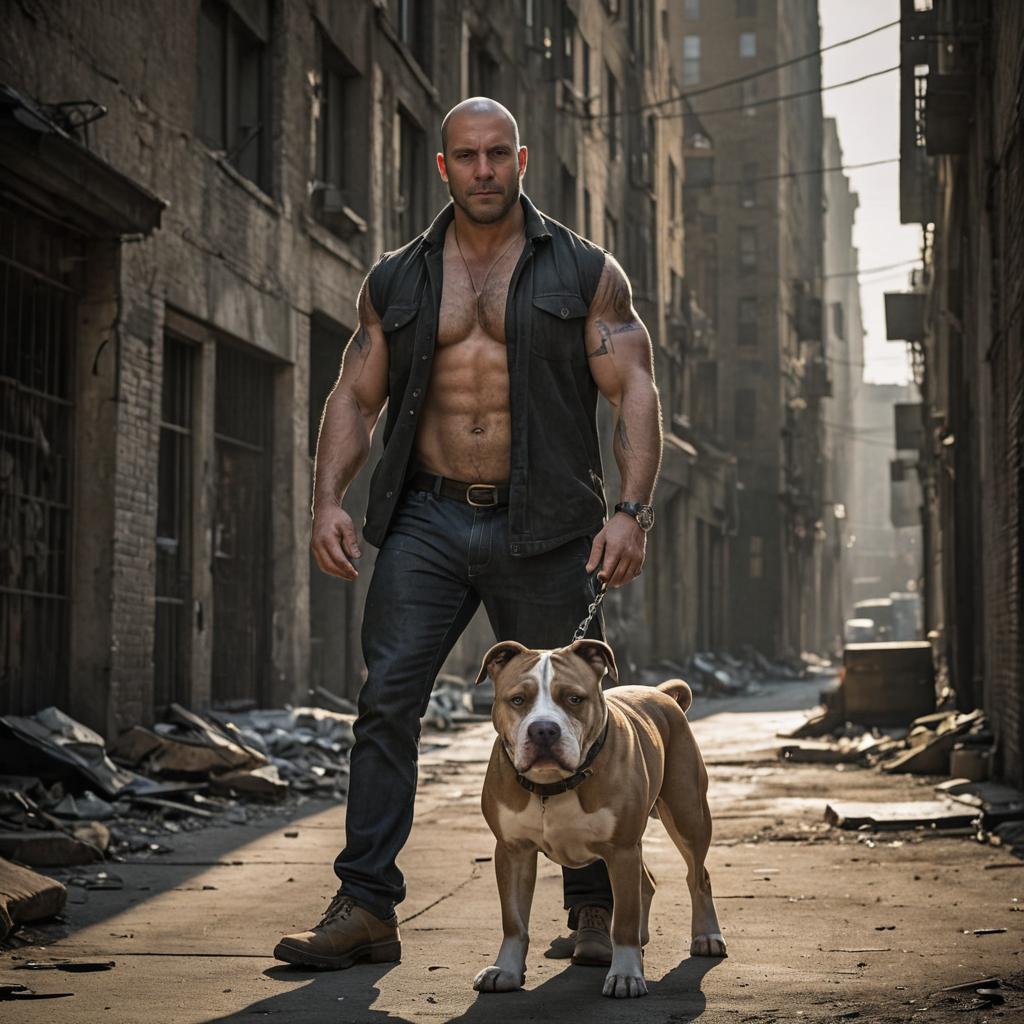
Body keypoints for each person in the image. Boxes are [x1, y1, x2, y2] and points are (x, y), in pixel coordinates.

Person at [274, 97, 662, 971]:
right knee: (385, 704)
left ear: (521, 162)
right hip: (427, 515)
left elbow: (632, 385)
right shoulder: (399, 278)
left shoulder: (586, 271)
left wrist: (631, 511)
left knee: (570, 711)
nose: (483, 170)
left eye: (498, 155)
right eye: (465, 156)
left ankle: (594, 909)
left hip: (550, 522)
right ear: (441, 167)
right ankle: (367, 905)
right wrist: (327, 499)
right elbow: (355, 394)